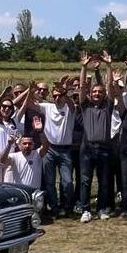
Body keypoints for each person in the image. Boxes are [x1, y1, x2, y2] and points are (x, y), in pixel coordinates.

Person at [77, 53, 115, 223]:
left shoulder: (108, 106)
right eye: (94, 91)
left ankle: (101, 209)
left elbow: (110, 86)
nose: (97, 94)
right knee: (85, 181)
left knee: (104, 182)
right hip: (87, 149)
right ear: (91, 94)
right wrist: (84, 67)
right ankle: (85, 210)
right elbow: (82, 89)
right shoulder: (85, 106)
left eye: (100, 92)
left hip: (105, 149)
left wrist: (108, 66)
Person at [40, 79, 76, 219]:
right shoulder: (47, 107)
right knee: (49, 182)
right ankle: (54, 208)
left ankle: (68, 207)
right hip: (49, 149)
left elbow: (72, 104)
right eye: (54, 95)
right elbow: (31, 104)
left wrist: (63, 91)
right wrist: (31, 91)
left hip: (65, 150)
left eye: (59, 95)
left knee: (67, 182)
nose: (56, 98)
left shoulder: (69, 109)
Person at [0, 121, 49, 189]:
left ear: (33, 145)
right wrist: (9, 145)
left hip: (34, 192)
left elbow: (46, 145)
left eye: (30, 143)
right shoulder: (14, 156)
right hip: (19, 192)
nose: (27, 146)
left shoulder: (37, 154)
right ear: (19, 145)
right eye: (24, 143)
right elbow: (2, 160)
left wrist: (40, 131)